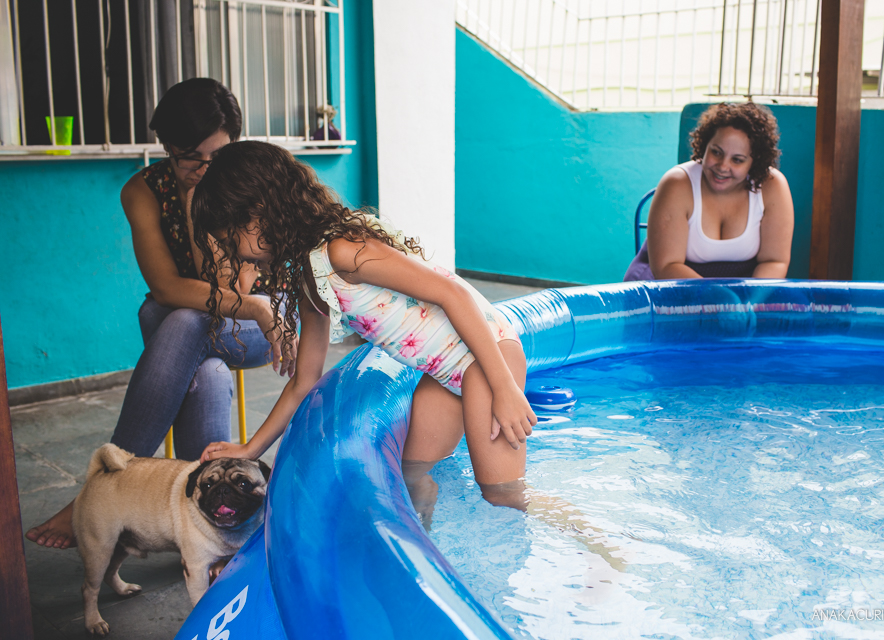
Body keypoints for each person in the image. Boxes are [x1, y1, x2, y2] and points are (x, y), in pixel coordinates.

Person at [26, 78, 296, 549]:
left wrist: (253, 303)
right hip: (217, 316)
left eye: (214, 155)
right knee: (202, 363)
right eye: (189, 157)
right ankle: (208, 521)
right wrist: (194, 209)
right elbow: (166, 285)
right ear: (168, 148)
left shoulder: (250, 179)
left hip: (263, 326)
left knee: (182, 321)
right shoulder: (144, 191)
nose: (203, 167)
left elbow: (232, 286)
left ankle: (102, 488)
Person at [193, 141, 537, 509]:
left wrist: (504, 388)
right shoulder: (310, 278)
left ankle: (587, 540)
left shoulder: (342, 250)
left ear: (259, 213)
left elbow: (453, 293)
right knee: (410, 481)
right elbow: (304, 381)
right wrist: (250, 448)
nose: (234, 254)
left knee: (504, 496)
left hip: (485, 359)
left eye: (232, 239)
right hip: (447, 374)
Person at [624, 102, 794, 281]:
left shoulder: (772, 186)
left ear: (755, 162)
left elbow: (774, 261)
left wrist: (747, 301)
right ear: (704, 146)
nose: (722, 166)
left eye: (737, 160)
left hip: (742, 289)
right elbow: (667, 266)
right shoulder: (676, 184)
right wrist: (720, 299)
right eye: (716, 152)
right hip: (670, 285)